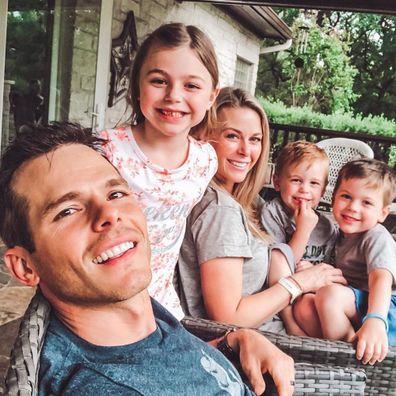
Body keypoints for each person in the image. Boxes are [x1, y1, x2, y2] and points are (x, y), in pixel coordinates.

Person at [0, 122, 295, 396]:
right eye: (67, 211)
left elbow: (157, 368)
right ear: (25, 266)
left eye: (115, 193)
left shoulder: (125, 314)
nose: (109, 214)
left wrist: (230, 344)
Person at [178, 87, 346, 336]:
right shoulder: (220, 210)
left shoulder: (248, 200)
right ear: (205, 136)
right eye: (232, 136)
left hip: (281, 321)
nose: (246, 151)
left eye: (255, 139)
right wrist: (303, 282)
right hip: (263, 340)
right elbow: (227, 317)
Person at [100, 23, 219, 318]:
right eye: (158, 81)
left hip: (162, 304)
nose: (173, 96)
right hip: (102, 301)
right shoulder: (106, 150)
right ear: (137, 85)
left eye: (191, 85)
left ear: (211, 96)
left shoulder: (205, 161)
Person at [298, 158, 396, 365]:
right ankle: (345, 350)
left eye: (366, 203)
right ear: (333, 198)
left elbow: (381, 279)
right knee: (303, 304)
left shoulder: (375, 236)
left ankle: (348, 363)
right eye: (346, 196)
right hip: (358, 303)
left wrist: (376, 320)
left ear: (382, 213)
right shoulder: (340, 235)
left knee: (329, 295)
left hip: (386, 309)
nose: (353, 207)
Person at [261, 140, 338, 266]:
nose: (304, 189)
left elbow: (330, 267)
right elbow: (280, 265)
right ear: (277, 182)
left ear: (323, 190)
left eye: (314, 183)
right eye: (296, 180)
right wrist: (303, 230)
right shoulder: (272, 213)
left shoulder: (327, 227)